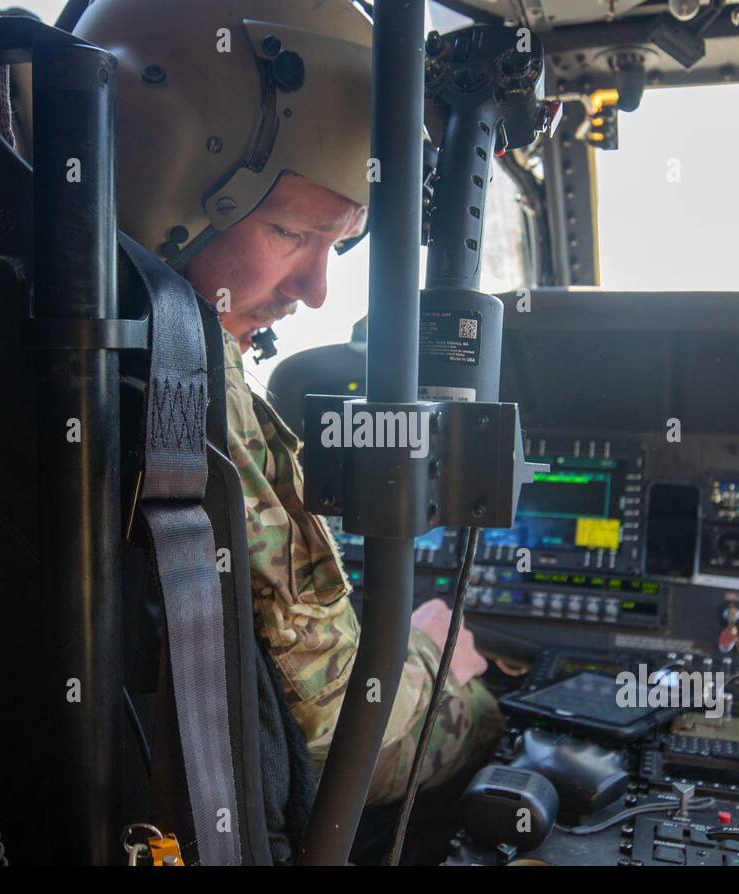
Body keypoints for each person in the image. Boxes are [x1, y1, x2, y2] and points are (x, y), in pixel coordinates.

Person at [74, 0, 502, 809]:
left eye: (338, 245)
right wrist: (454, 682)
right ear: (161, 172)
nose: (314, 291)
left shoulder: (45, 326)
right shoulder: (183, 373)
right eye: (289, 233)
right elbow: (340, 725)